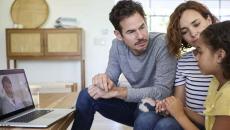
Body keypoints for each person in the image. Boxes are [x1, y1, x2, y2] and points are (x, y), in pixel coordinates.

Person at [71, 0, 177, 130]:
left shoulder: (162, 44)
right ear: (118, 35)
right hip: (134, 103)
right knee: (86, 95)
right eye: (131, 32)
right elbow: (111, 78)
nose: (141, 36)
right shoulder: (117, 45)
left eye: (142, 27)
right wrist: (103, 81)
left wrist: (119, 91)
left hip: (158, 106)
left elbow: (162, 92)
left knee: (145, 119)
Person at [140, 1, 218, 129]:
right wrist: (169, 106)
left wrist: (180, 111)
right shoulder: (184, 61)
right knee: (152, 120)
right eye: (184, 31)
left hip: (214, 123)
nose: (193, 33)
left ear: (209, 20)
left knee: (164, 125)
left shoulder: (224, 59)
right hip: (188, 119)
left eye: (196, 24)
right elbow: (179, 103)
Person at [165, 20, 230, 130]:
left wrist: (179, 115)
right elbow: (209, 122)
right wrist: (181, 109)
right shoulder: (216, 82)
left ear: (220, 55)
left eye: (200, 52)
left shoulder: (227, 95)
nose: (196, 57)